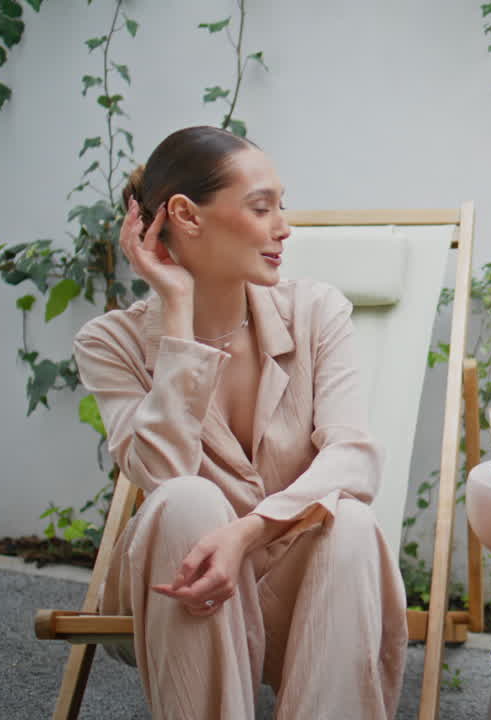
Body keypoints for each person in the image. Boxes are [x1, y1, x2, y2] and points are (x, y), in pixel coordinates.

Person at [74, 126, 407, 719]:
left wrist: (248, 532)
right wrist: (176, 310)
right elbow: (163, 472)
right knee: (186, 501)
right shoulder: (111, 343)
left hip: (297, 581)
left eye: (283, 204)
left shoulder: (316, 311)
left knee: (350, 522)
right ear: (185, 215)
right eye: (262, 207)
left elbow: (352, 457)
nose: (284, 227)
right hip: (180, 571)